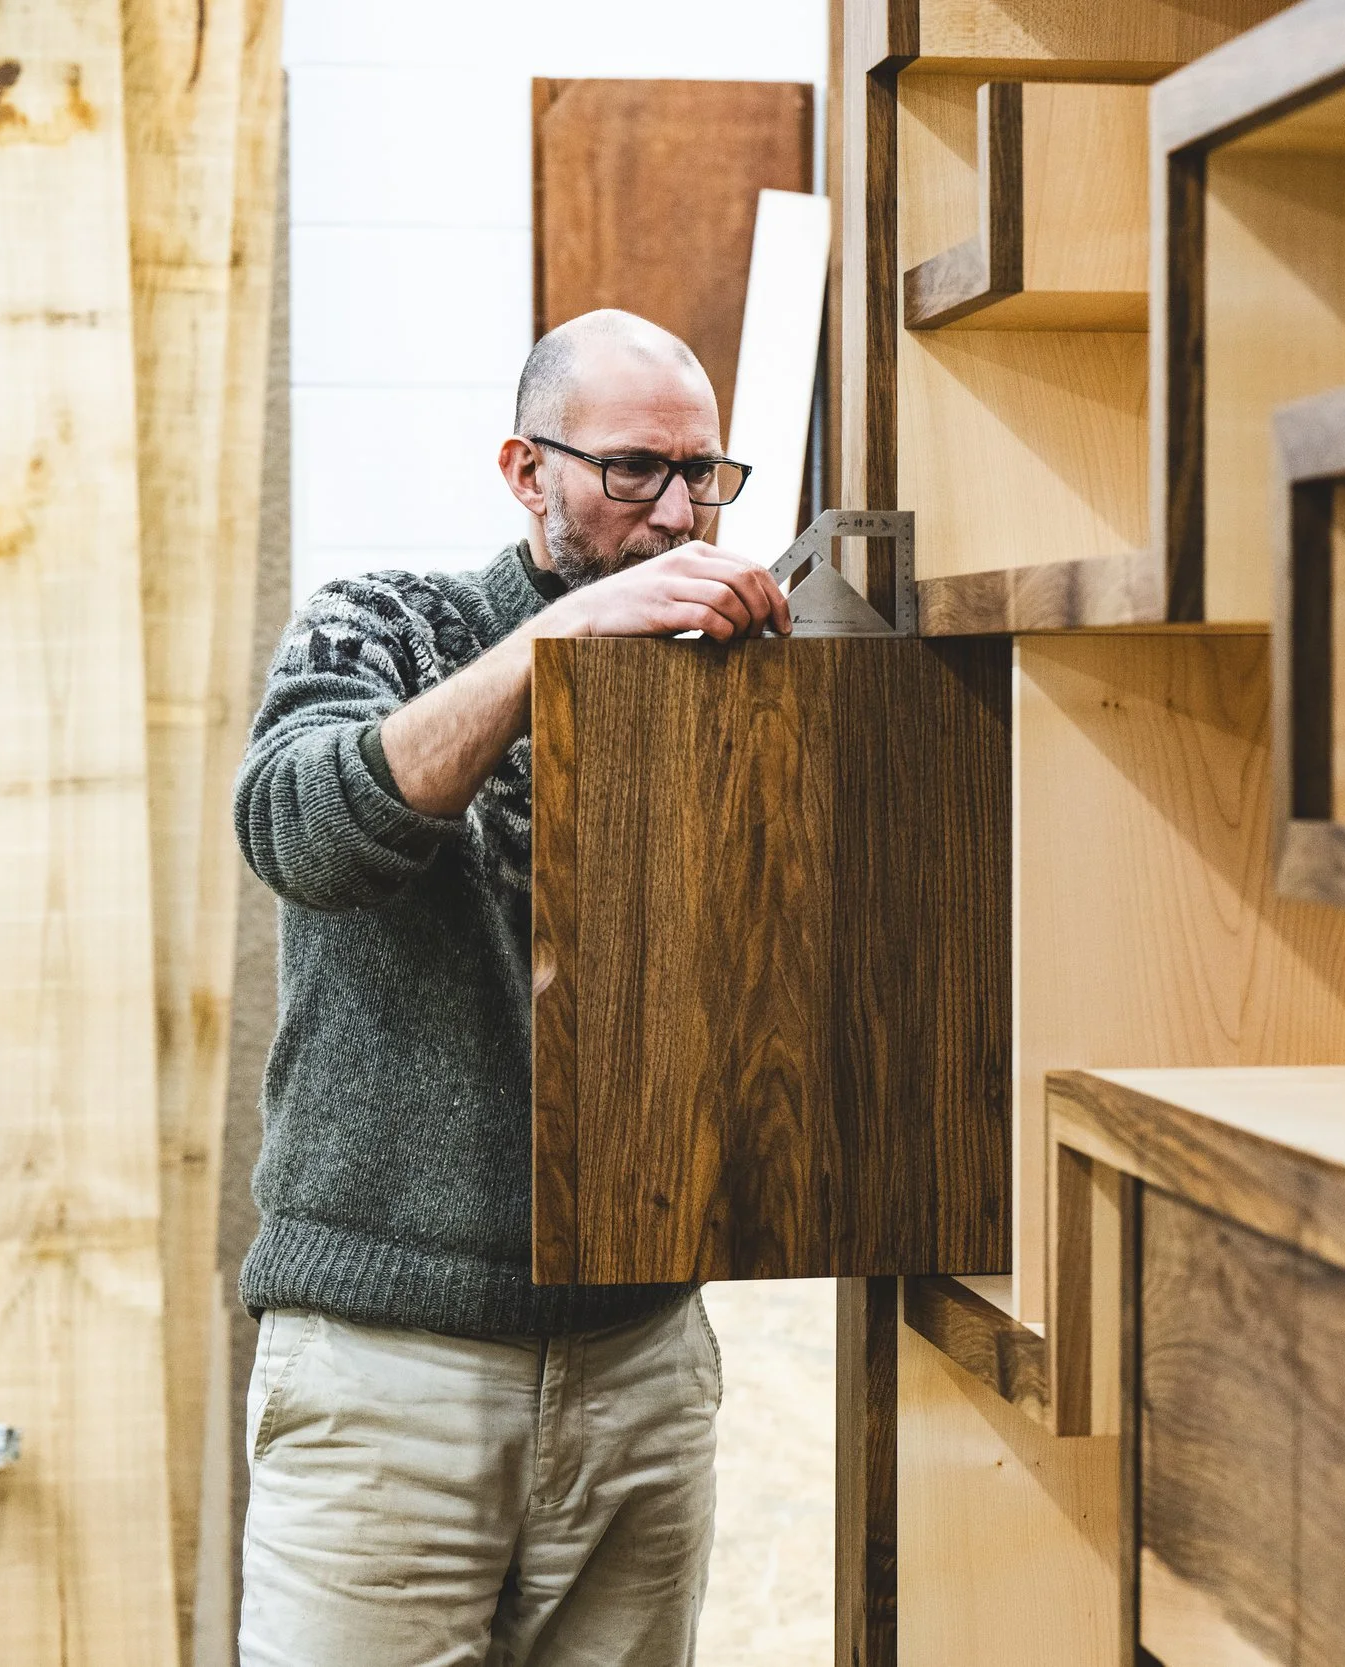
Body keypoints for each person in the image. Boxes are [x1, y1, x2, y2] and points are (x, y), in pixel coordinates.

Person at [231, 308, 792, 1664]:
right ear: (524, 468)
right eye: (630, 470)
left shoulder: (720, 690)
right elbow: (301, 829)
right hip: (387, 1374)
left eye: (702, 473)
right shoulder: (386, 621)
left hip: (639, 1367)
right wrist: (562, 645)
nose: (674, 513)